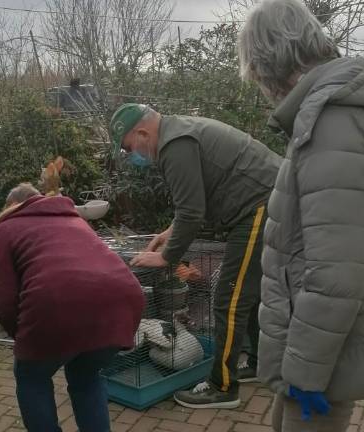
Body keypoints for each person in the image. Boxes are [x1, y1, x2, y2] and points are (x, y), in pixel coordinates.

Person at [238, 0, 364, 430]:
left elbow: (335, 272)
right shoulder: (344, 111)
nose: (261, 86)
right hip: (326, 340)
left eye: (258, 74)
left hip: (327, 350)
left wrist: (305, 374)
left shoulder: (332, 124)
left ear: (271, 63)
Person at [109, 104, 282, 409]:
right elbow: (194, 202)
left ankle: (222, 387)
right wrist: (169, 231)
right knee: (248, 294)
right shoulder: (179, 132)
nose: (131, 154)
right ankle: (257, 363)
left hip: (260, 205)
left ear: (141, 133)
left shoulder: (174, 144)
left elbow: (191, 211)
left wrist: (166, 257)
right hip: (266, 201)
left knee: (228, 300)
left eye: (128, 147)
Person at [0, 187, 145, 431]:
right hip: (123, 302)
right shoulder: (75, 221)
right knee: (87, 376)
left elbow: (3, 300)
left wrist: (23, 339)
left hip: (56, 305)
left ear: (11, 206)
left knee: (32, 378)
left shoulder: (3, 231)